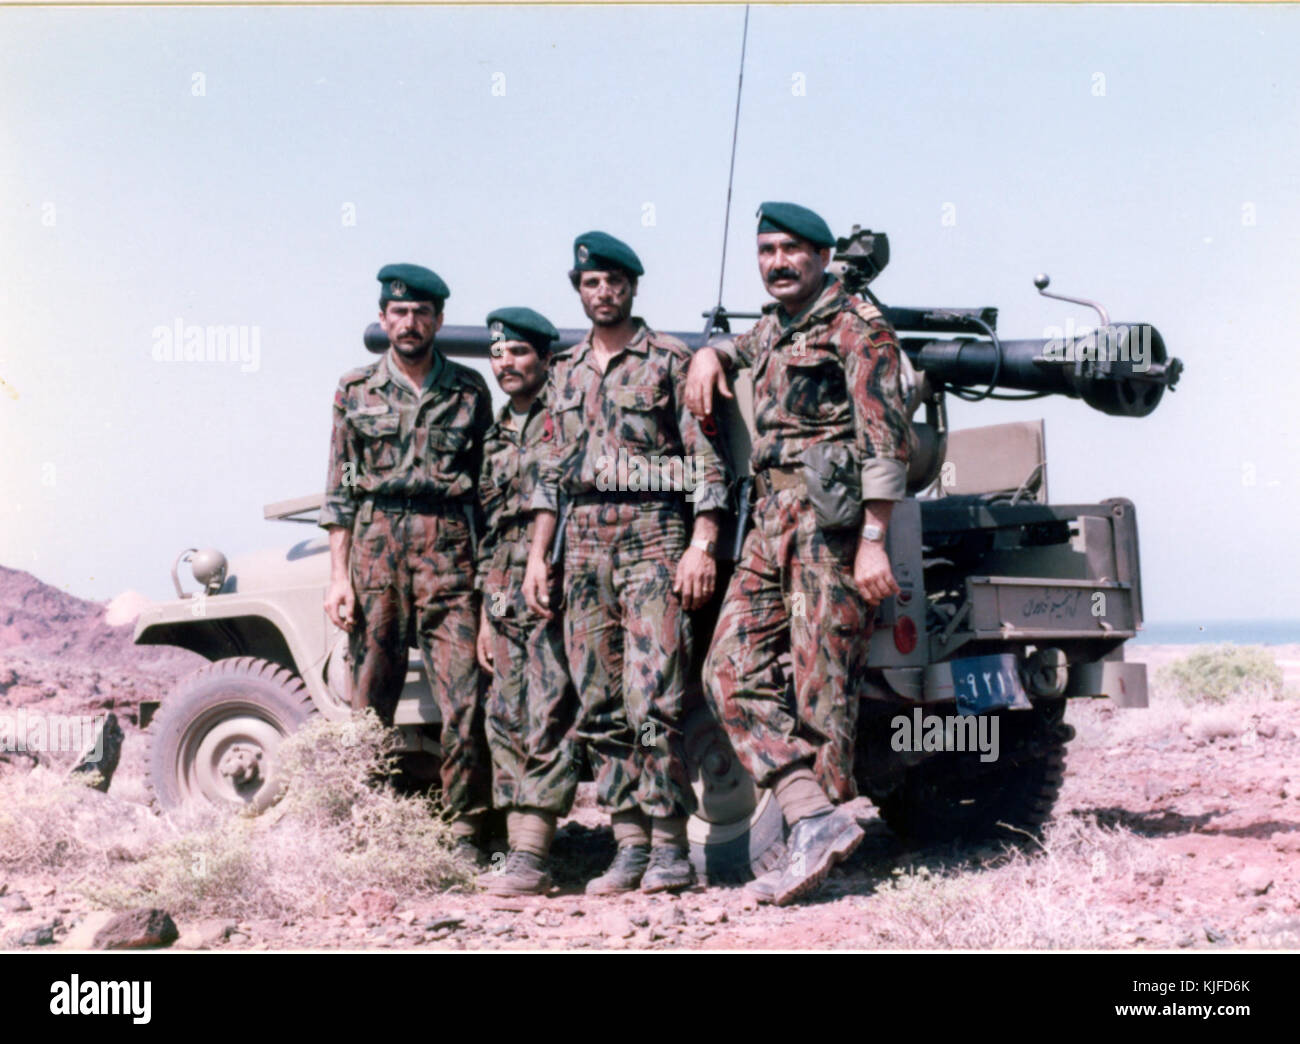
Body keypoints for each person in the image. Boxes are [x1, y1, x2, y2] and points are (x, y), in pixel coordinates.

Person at [684, 202, 912, 906]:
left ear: (820, 256)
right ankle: (810, 814)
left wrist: (874, 541)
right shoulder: (776, 325)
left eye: (791, 250)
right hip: (771, 517)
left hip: (831, 524)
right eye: (766, 250)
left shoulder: (858, 326)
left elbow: (886, 442)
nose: (777, 261)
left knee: (823, 685)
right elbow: (741, 348)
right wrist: (707, 351)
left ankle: (822, 850)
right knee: (727, 667)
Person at [522, 232, 729, 895]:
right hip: (582, 541)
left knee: (654, 696)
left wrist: (702, 542)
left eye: (614, 281)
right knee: (600, 699)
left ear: (633, 287)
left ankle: (671, 848)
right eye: (590, 283)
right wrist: (536, 558)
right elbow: (548, 474)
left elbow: (705, 462)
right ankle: (630, 846)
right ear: (577, 289)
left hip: (653, 531)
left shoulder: (669, 360)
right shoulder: (563, 370)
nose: (603, 292)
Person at [320, 263, 494, 863]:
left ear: (439, 320)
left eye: (422, 312)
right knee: (370, 697)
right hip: (376, 547)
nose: (411, 322)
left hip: (449, 547)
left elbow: (485, 488)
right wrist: (338, 575)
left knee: (465, 698)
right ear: (382, 319)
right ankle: (368, 827)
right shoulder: (354, 390)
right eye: (399, 312)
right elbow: (340, 486)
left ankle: (467, 831)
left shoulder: (471, 390)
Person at [473, 307, 580, 896]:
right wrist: (489, 614)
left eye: (516, 352)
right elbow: (491, 531)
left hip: (557, 579)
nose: (505, 364)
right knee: (504, 717)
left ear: (543, 357)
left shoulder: (563, 418)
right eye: (497, 354)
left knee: (548, 712)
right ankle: (520, 852)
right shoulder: (492, 437)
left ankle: (532, 854)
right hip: (506, 586)